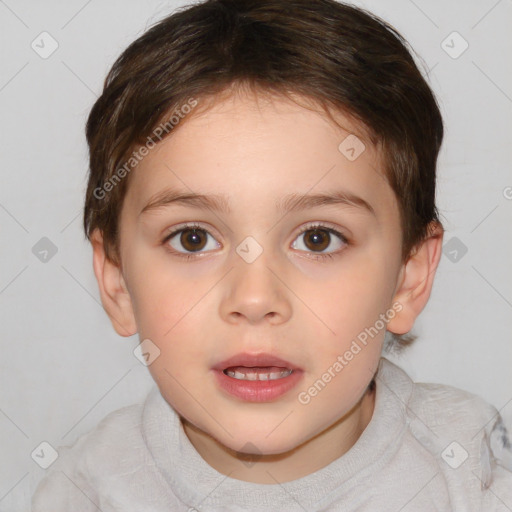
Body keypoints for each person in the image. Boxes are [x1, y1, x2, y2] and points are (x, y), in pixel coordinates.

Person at [31, 0, 512, 510]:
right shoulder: (85, 490)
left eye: (318, 239)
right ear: (116, 280)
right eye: (193, 238)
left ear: (408, 278)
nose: (255, 298)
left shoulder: (474, 473)